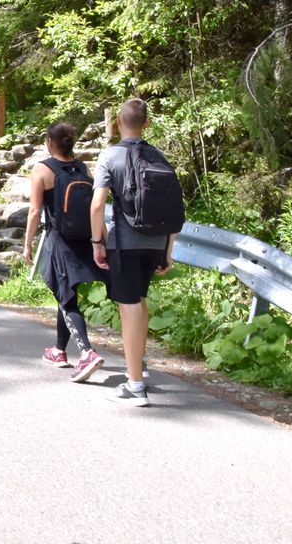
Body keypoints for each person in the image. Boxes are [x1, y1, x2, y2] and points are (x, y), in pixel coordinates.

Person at [91, 97, 177, 406]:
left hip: (125, 245)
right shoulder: (159, 156)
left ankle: (135, 385)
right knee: (139, 303)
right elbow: (173, 208)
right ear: (147, 123)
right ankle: (137, 371)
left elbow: (98, 204)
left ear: (117, 121)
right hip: (155, 244)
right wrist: (168, 250)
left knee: (128, 309)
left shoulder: (109, 156)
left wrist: (97, 243)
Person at [22, 122, 104, 383]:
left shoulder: (42, 170)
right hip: (85, 239)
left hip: (59, 240)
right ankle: (59, 350)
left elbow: (35, 211)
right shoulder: (83, 169)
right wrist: (101, 240)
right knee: (66, 291)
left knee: (66, 297)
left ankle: (87, 352)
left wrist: (27, 244)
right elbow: (95, 207)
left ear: (49, 142)